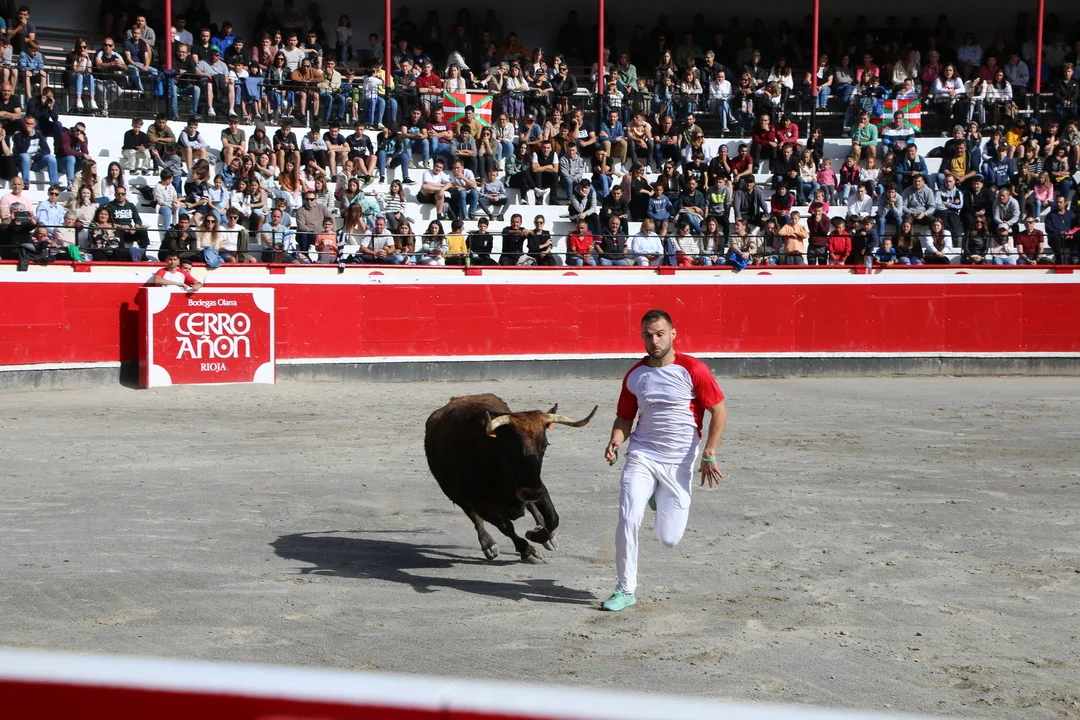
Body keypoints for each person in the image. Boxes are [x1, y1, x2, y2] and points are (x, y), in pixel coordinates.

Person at [601, 309, 727, 612]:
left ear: (673, 334)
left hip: (678, 461)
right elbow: (625, 417)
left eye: (659, 334)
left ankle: (656, 495)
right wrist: (616, 439)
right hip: (642, 454)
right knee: (628, 518)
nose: (654, 340)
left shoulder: (693, 369)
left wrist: (709, 452)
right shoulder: (635, 375)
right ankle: (625, 589)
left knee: (669, 539)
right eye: (648, 335)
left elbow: (719, 411)